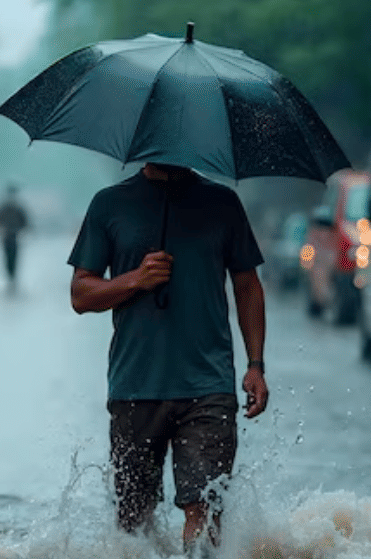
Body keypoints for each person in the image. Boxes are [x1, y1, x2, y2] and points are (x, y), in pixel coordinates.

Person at [68, 162, 268, 555]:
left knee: (205, 508)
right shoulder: (109, 204)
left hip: (209, 386)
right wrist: (135, 280)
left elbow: (247, 285)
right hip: (134, 385)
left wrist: (256, 365)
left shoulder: (222, 203)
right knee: (133, 519)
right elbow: (80, 294)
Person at [0, 184, 30, 289]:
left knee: (14, 258)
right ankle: (9, 275)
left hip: (14, 237)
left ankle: (12, 276)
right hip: (6, 237)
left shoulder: (18, 209)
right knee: (7, 258)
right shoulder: (4, 209)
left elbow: (25, 222)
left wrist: (20, 230)